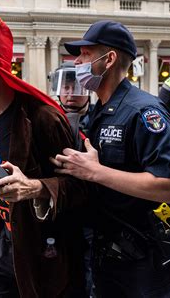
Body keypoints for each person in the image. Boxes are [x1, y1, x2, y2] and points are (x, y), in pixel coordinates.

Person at [0, 4, 87, 297]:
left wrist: (36, 188)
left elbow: (81, 188)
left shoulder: (42, 118)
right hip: (6, 242)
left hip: (44, 253)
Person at [52, 20, 170, 297]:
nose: (77, 61)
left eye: (85, 54)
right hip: (109, 256)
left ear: (109, 59)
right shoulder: (99, 111)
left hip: (145, 267)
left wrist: (94, 172)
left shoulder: (144, 112)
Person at [50, 61, 95, 297]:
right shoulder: (48, 118)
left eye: (76, 87)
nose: (70, 94)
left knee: (88, 274)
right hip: (58, 211)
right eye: (65, 87)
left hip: (90, 213)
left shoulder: (99, 120)